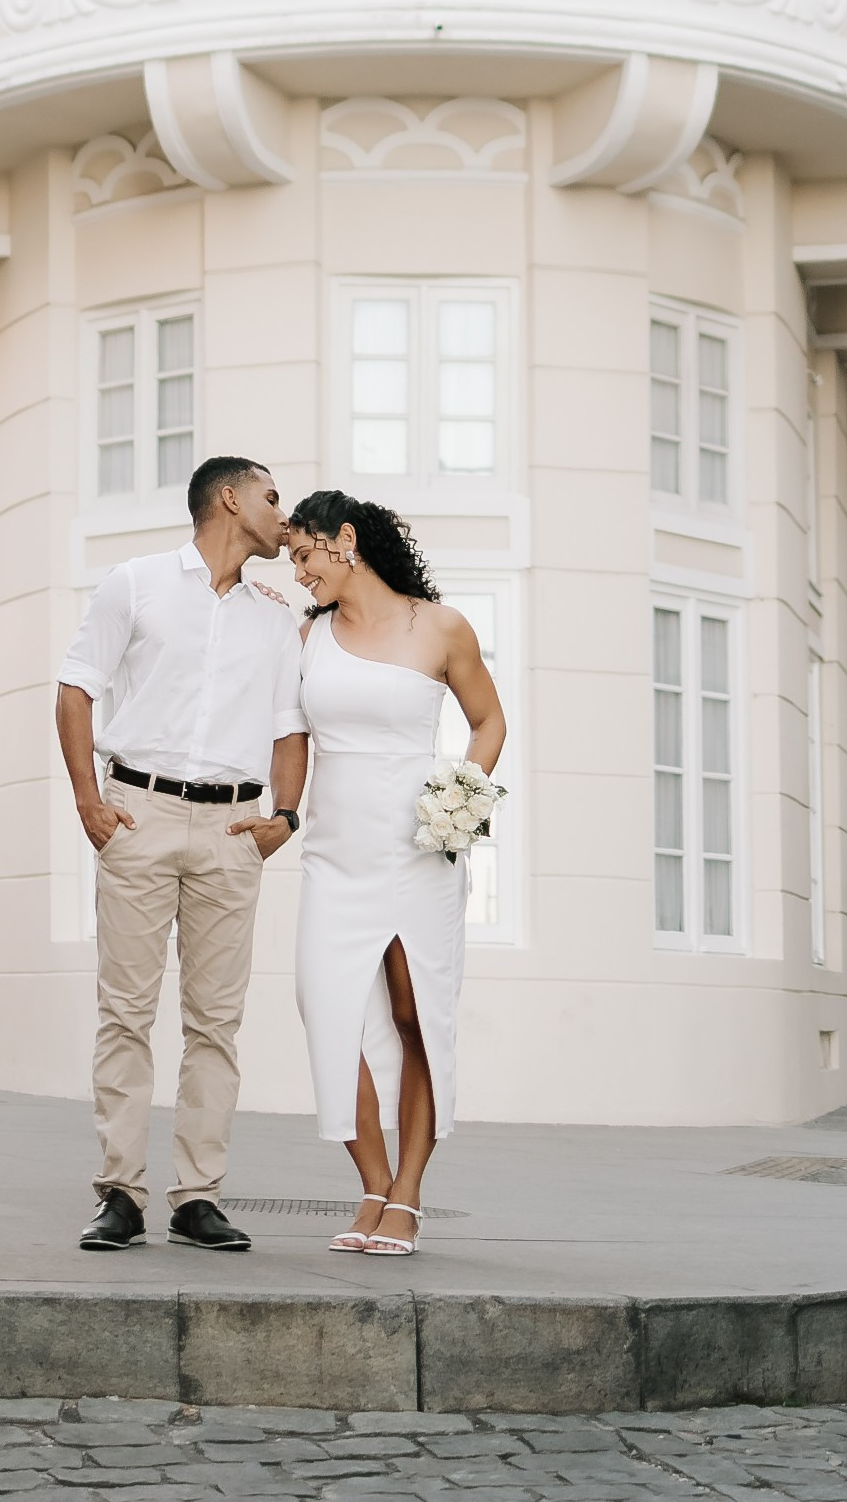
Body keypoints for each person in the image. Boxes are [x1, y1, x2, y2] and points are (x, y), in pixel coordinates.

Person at [56, 455, 307, 1254]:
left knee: (215, 1024)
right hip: (139, 813)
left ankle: (197, 1196)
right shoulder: (134, 583)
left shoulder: (275, 616)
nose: (283, 513)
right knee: (125, 1013)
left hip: (233, 830)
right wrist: (89, 803)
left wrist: (285, 817)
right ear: (228, 499)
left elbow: (288, 728)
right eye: (272, 498)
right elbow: (75, 687)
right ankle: (120, 1193)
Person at [286, 488, 505, 1258]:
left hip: (419, 852)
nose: (298, 574)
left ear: (345, 539)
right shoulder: (305, 635)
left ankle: (405, 1196)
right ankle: (371, 1180)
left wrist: (462, 801)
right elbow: (290, 737)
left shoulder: (439, 626)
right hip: (334, 853)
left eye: (304, 555)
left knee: (415, 1017)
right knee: (326, 1009)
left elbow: (489, 721)